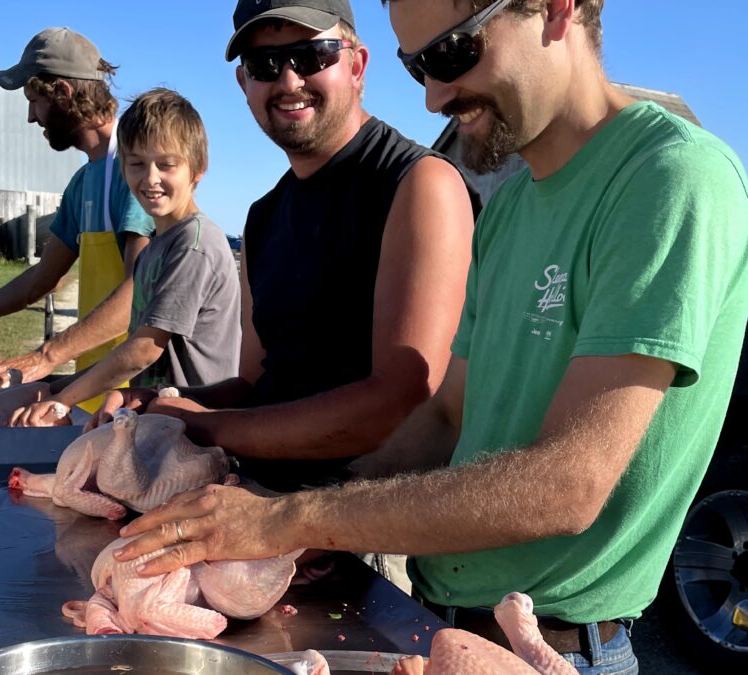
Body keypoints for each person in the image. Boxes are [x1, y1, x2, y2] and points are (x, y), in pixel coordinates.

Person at [112, 0, 748, 673]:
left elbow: (569, 483)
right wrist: (301, 523)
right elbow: (445, 416)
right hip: (433, 624)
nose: (436, 95)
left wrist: (287, 519)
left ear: (559, 10)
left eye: (453, 55)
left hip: (549, 648)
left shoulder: (669, 177)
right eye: (417, 68)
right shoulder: (510, 207)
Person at [90, 0, 478, 492]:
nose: (290, 80)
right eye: (264, 64)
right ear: (244, 83)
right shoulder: (263, 217)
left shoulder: (419, 184)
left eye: (312, 55)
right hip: (252, 499)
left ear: (356, 64)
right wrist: (157, 404)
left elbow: (402, 401)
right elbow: (253, 386)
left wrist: (199, 423)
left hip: (356, 521)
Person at [0, 28, 154, 403]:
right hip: (95, 387)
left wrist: (44, 358)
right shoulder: (83, 182)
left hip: (136, 393)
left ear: (63, 93)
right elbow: (43, 279)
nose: (32, 118)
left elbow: (139, 293)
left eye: (34, 101)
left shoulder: (136, 171)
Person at [15, 88, 240, 425]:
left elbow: (144, 350)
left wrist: (61, 402)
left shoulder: (194, 244)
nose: (150, 178)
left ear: (197, 170)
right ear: (122, 168)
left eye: (166, 165)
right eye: (136, 164)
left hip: (201, 429)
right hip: (161, 424)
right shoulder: (155, 248)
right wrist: (48, 390)